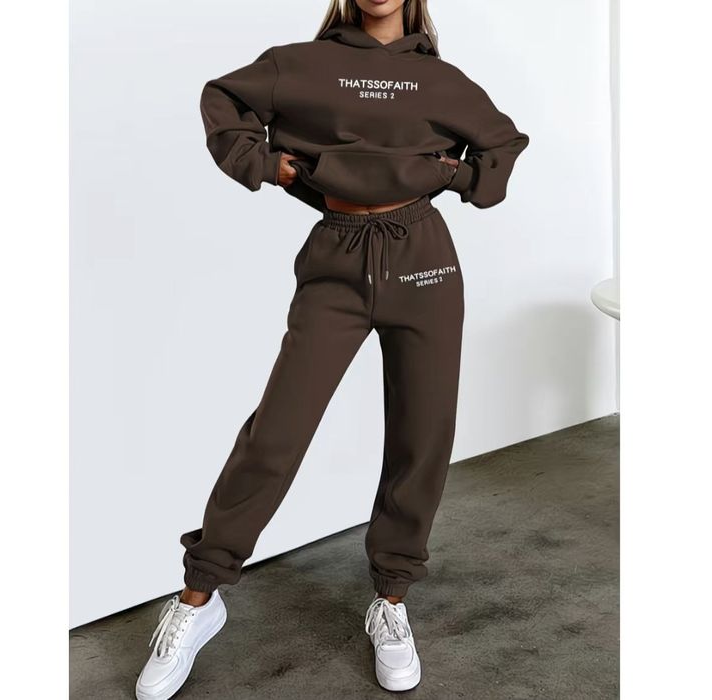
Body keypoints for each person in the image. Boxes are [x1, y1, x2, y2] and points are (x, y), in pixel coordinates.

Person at [135, 1, 529, 697]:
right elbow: (222, 98)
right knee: (276, 433)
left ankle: (392, 599)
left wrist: (458, 177)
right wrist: (269, 166)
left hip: (424, 261)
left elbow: (502, 143)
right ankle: (200, 597)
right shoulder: (300, 66)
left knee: (422, 435)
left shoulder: (442, 81)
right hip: (336, 260)